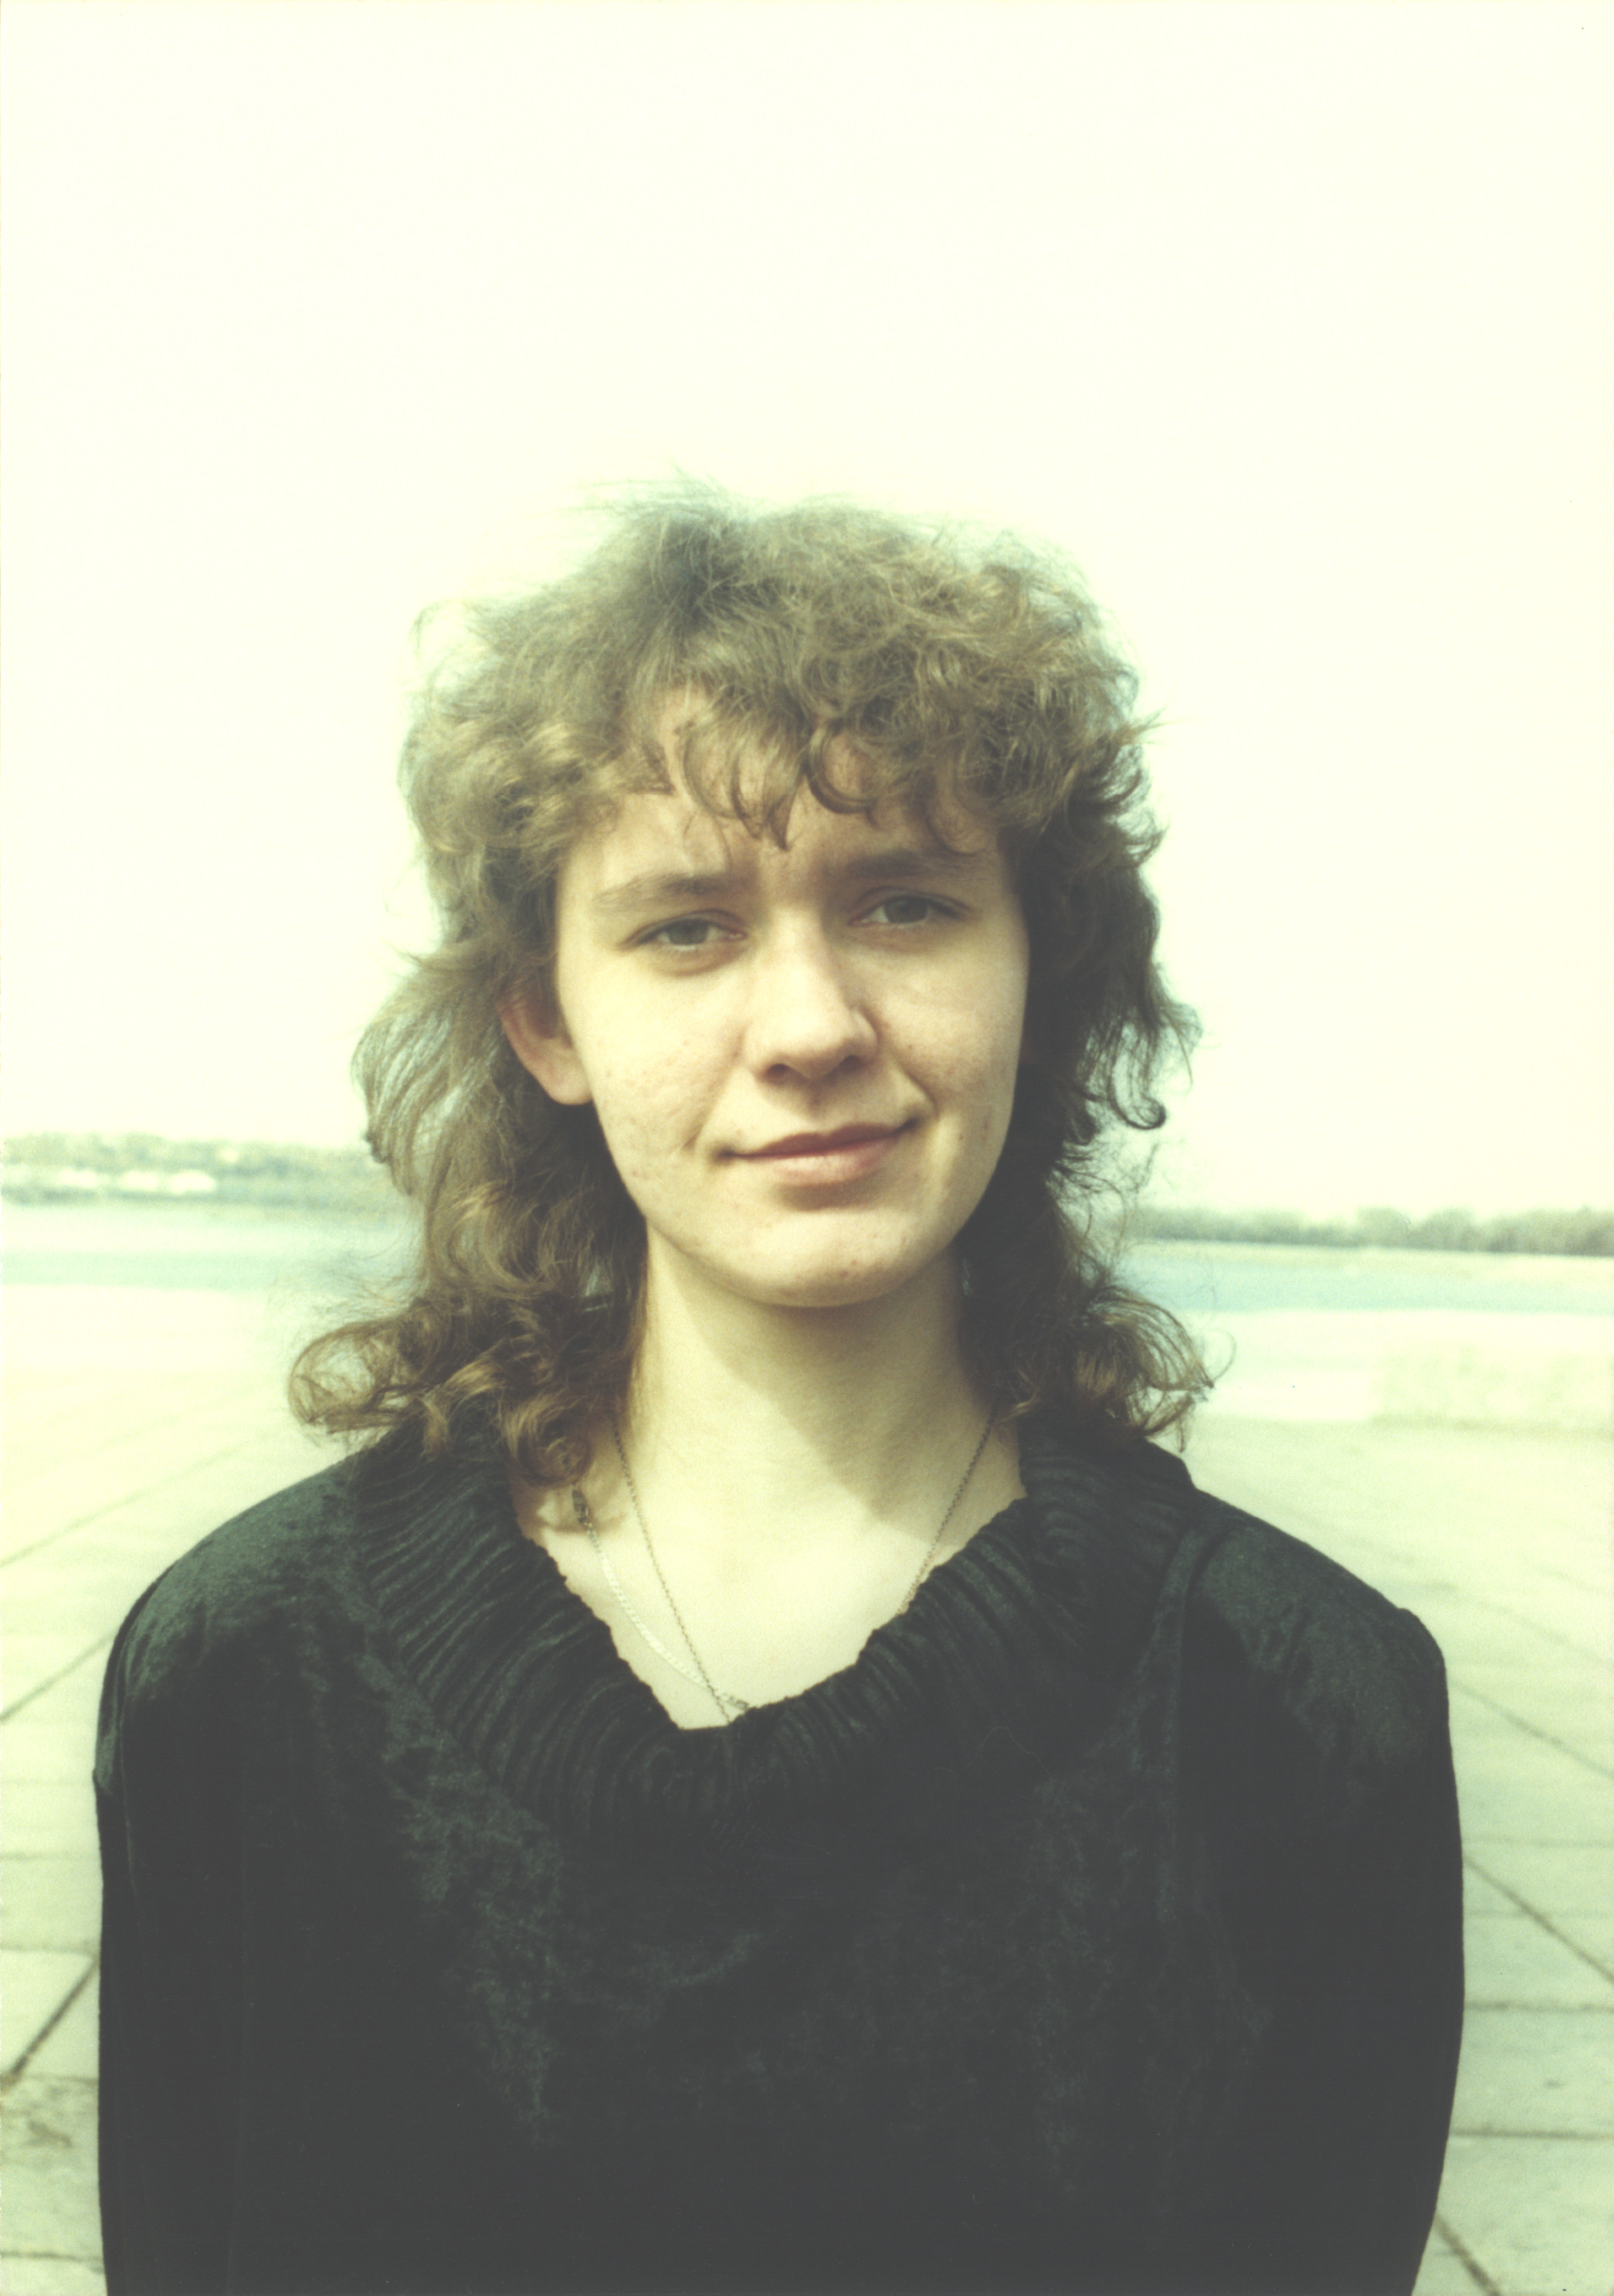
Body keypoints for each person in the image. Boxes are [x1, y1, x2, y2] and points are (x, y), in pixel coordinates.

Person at [96, 487, 1463, 2295]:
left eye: (904, 902)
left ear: (1040, 973)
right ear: (545, 1021)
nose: (810, 1024)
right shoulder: (245, 1674)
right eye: (686, 926)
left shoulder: (1301, 1713)